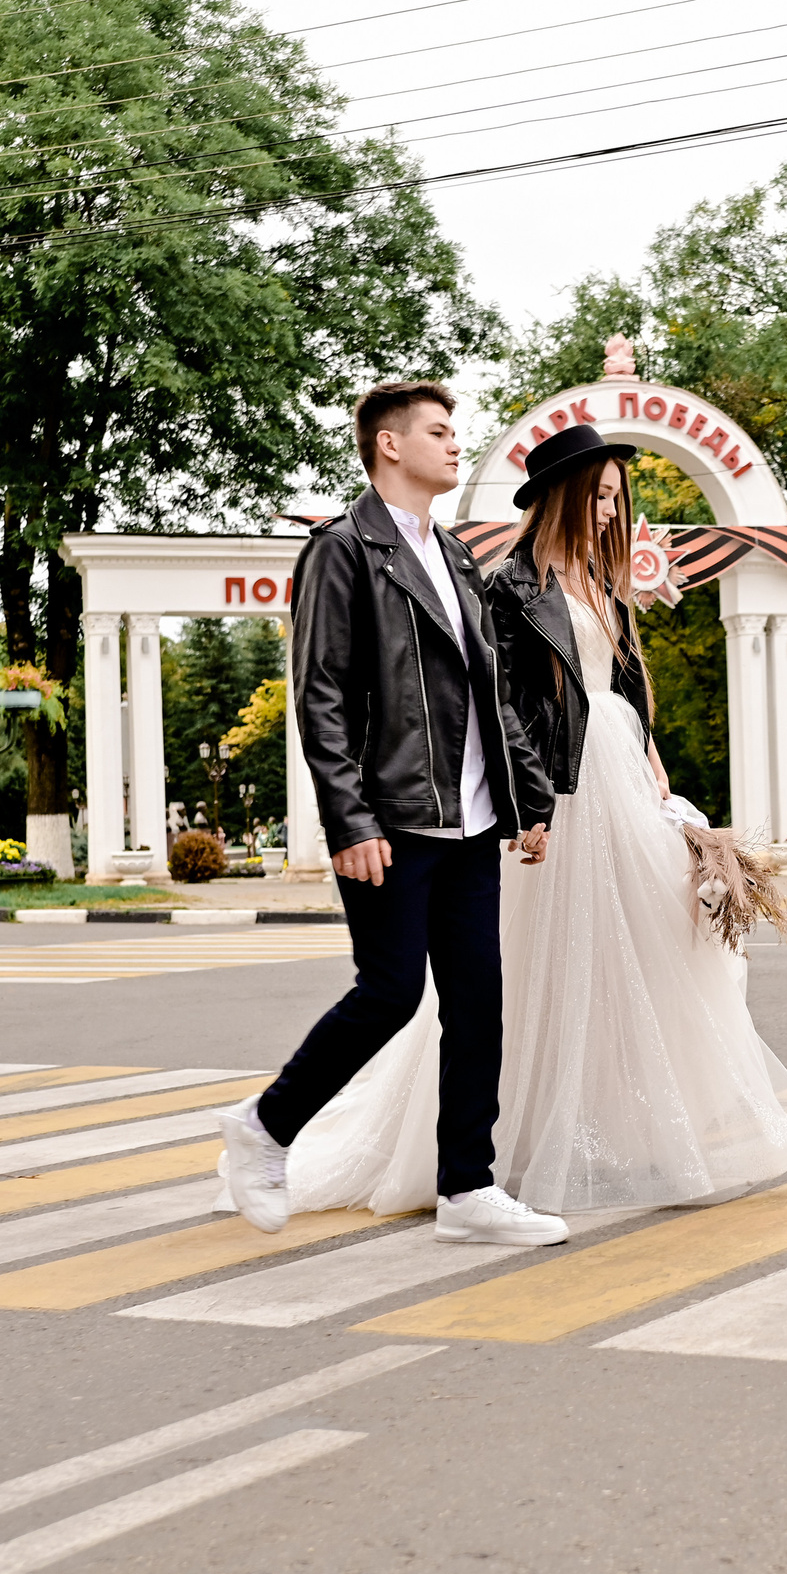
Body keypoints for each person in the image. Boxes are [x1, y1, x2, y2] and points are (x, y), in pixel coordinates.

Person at [244, 421, 787, 1223]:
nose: (614, 513)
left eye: (620, 498)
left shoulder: (604, 585)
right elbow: (502, 705)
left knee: (649, 954)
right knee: (536, 971)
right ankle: (488, 1158)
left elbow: (626, 699)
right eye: (602, 496)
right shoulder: (509, 584)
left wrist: (664, 789)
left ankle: (617, 1133)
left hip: (622, 780)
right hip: (563, 788)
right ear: (565, 496)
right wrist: (531, 802)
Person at [214, 381, 567, 1247]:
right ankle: (265, 1126)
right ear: (389, 446)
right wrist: (350, 819)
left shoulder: (455, 559)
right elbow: (320, 695)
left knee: (477, 1004)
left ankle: (467, 1190)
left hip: (473, 822)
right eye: (440, 433)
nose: (456, 446)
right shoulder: (342, 550)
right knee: (390, 991)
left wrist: (526, 798)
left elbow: (492, 696)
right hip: (396, 817)